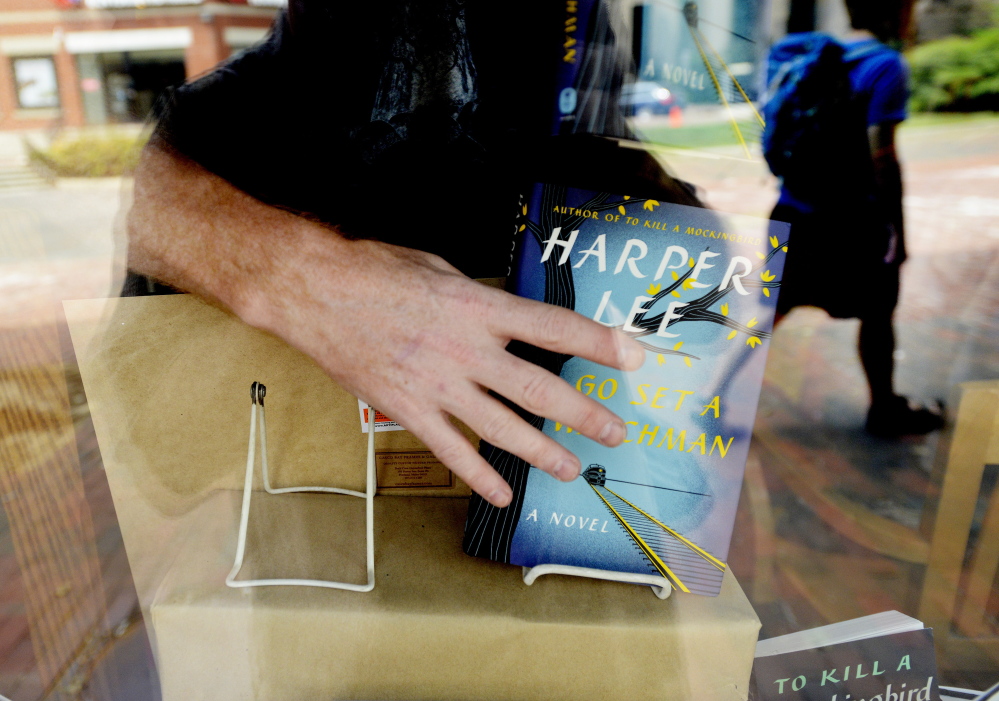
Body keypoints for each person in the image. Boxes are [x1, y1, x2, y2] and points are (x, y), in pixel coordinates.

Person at [124, 1, 699, 508]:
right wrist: (302, 279)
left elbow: (686, 434)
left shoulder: (599, 155)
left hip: (551, 547)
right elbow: (160, 455)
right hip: (303, 547)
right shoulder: (210, 133)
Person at [768, 0, 944, 438]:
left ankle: (707, 394)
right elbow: (881, 155)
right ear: (897, 9)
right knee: (878, 308)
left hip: (792, 210)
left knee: (769, 308)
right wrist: (897, 232)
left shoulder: (814, 57)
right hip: (851, 220)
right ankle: (884, 409)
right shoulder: (885, 65)